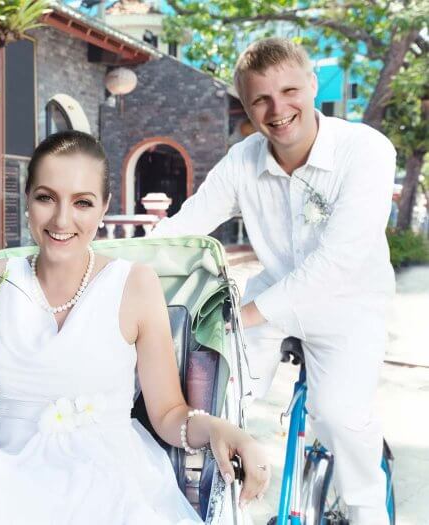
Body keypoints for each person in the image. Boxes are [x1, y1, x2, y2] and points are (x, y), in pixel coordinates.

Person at [0, 130, 269, 524]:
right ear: (27, 200)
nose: (62, 220)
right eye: (47, 198)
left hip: (104, 479)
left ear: (103, 207)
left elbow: (168, 413)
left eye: (82, 202)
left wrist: (219, 427)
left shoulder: (135, 284)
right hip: (4, 477)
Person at [151, 38, 396, 525]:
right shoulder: (244, 159)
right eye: (261, 98)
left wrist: (241, 317)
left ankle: (371, 512)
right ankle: (221, 505)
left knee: (340, 415)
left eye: (289, 91)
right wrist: (119, 268)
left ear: (311, 85)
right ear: (246, 106)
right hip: (273, 291)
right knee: (215, 394)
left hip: (350, 303)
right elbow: (184, 227)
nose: (278, 109)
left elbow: (337, 263)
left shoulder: (365, 149)